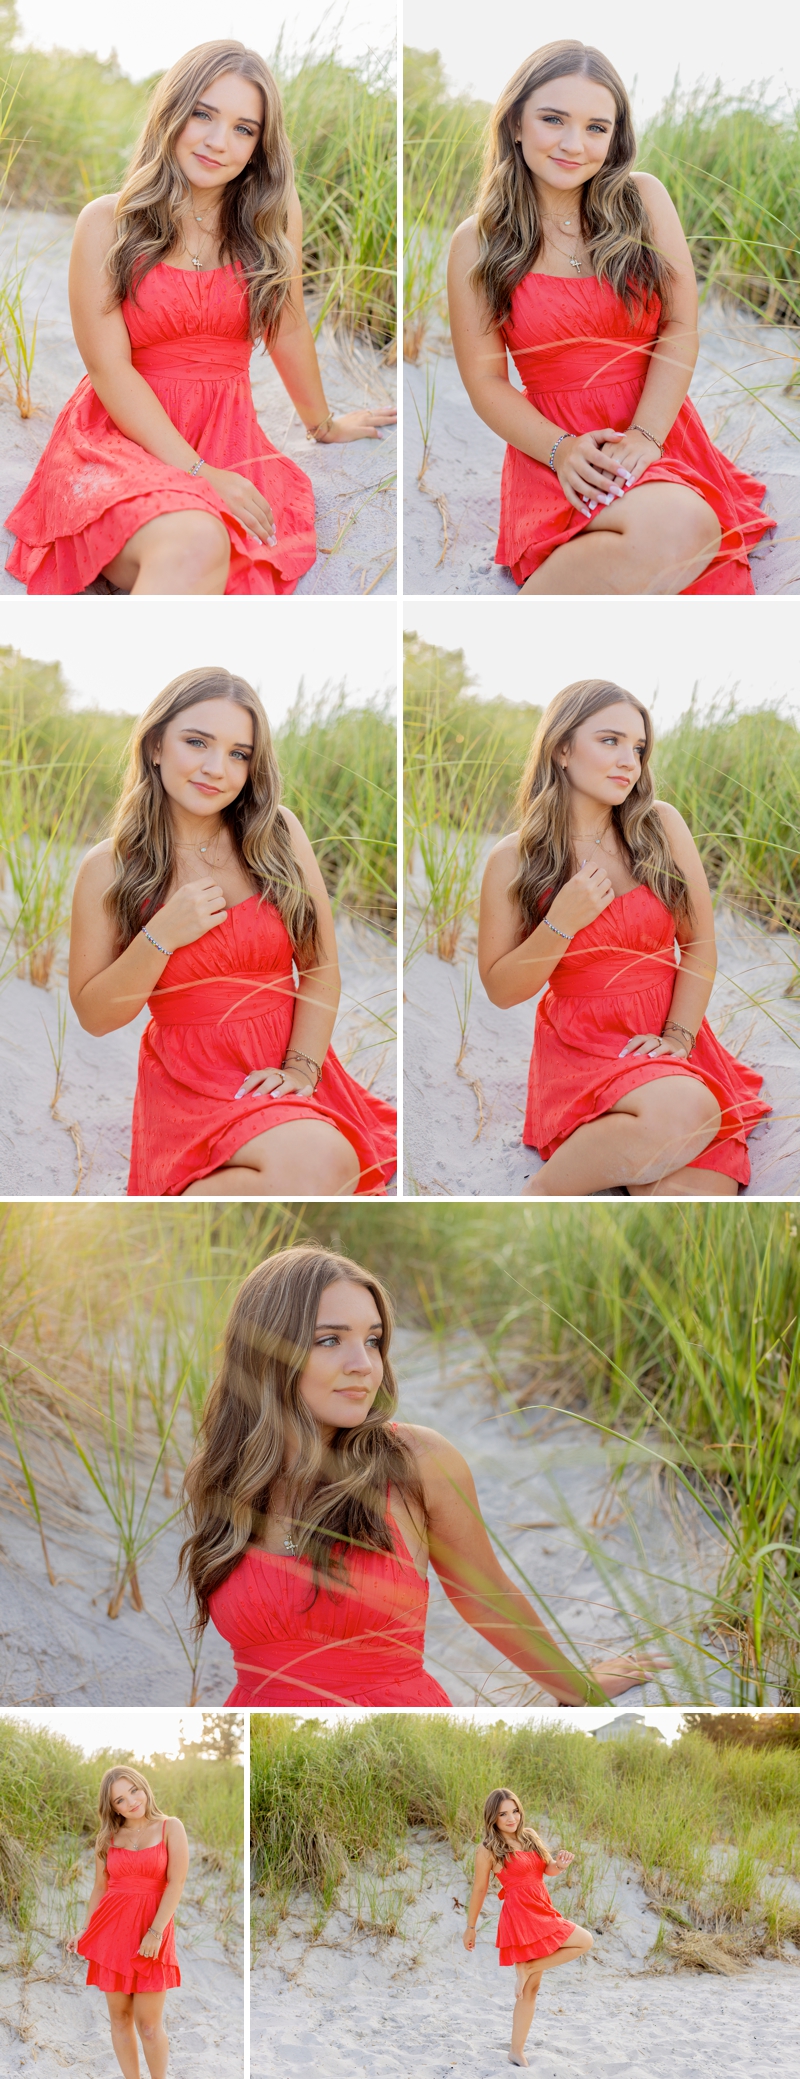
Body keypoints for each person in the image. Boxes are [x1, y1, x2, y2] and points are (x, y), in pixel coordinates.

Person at [179, 1244, 668, 1706]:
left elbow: (485, 1596)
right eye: (330, 1340)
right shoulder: (223, 1480)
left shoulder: (415, 1461)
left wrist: (580, 1688)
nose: (363, 1366)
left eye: (373, 1341)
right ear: (266, 1352)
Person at [5, 40, 394, 595]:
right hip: (122, 438)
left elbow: (285, 326)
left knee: (210, 543)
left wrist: (322, 424)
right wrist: (197, 473)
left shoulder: (272, 217)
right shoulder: (106, 224)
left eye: (244, 128)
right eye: (203, 115)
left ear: (260, 145)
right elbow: (110, 370)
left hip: (227, 437)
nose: (218, 142)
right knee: (196, 538)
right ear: (172, 114)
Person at [448, 40, 773, 595]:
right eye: (554, 119)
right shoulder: (478, 241)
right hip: (556, 454)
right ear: (517, 124)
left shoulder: (643, 201)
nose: (575, 144)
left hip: (657, 428)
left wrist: (646, 435)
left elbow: (679, 325)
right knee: (680, 528)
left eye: (597, 127)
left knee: (685, 527)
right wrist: (562, 450)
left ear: (615, 136)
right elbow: (484, 381)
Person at [68, 667, 396, 1196]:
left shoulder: (278, 834)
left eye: (239, 753)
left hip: (285, 1062)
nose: (216, 768)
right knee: (323, 1160)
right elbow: (95, 1015)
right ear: (155, 745)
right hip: (191, 1080)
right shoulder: (107, 868)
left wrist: (302, 1070)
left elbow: (320, 968)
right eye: (197, 742)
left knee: (334, 1160)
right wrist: (160, 936)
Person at [478, 678, 769, 1195]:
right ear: (562, 748)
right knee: (686, 1110)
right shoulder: (513, 859)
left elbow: (699, 945)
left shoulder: (659, 826)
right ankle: (542, 1193)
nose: (629, 762)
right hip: (585, 1045)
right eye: (610, 741)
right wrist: (561, 921)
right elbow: (503, 990)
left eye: (638, 748)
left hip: (668, 1033)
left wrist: (678, 1038)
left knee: (696, 1193)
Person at [66, 1767, 188, 2079]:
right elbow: (100, 1888)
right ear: (113, 1807)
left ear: (144, 1787)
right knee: (119, 2019)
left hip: (153, 1932)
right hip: (112, 1933)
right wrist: (87, 1928)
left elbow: (175, 1884)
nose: (131, 1801)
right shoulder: (106, 1839)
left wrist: (155, 1931)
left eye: (134, 1790)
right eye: (120, 1799)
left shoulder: (170, 1827)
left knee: (148, 2026)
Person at [463, 1788, 590, 2068]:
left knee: (579, 1946)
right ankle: (516, 2050)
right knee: (533, 1987)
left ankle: (528, 1970)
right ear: (493, 1819)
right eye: (503, 1814)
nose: (511, 1818)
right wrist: (471, 1926)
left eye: (515, 1811)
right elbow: (480, 1888)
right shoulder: (488, 1849)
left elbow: (547, 1870)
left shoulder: (529, 1836)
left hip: (542, 1908)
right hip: (520, 1914)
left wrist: (560, 1865)